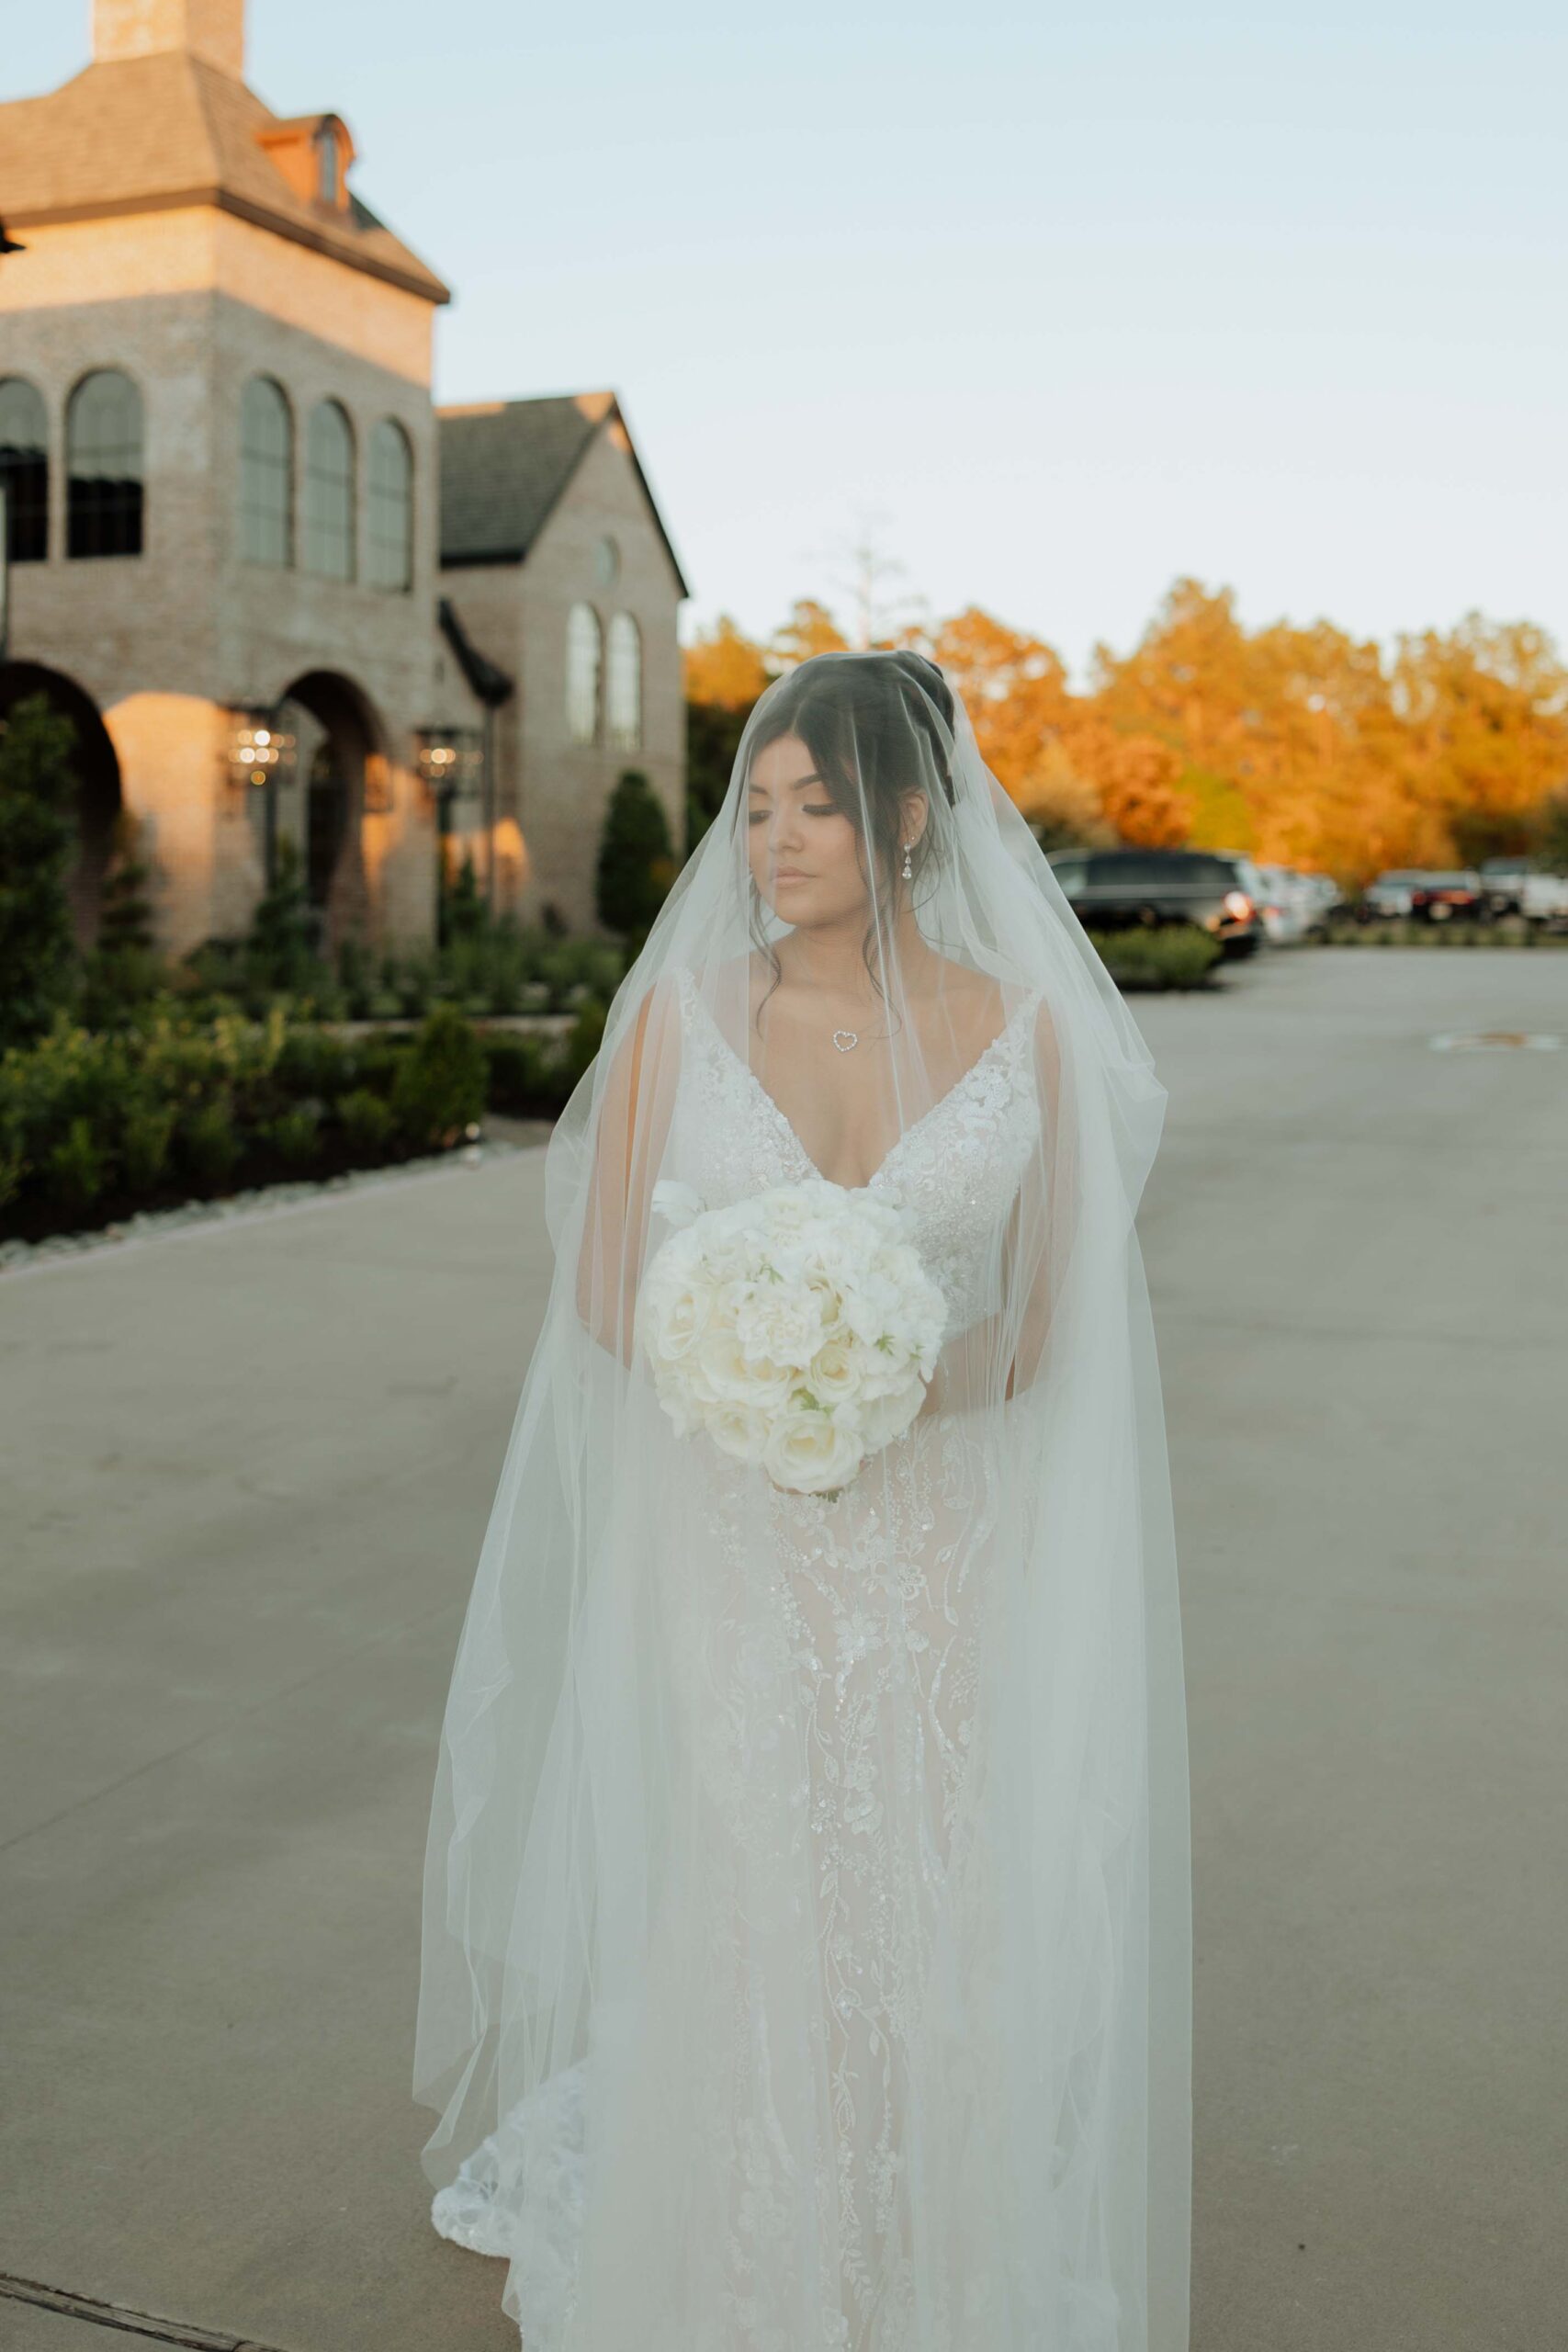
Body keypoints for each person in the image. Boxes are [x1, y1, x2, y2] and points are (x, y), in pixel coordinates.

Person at [413, 648, 1191, 2351]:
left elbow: (1055, 1325)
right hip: (736, 1534)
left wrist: (893, 1383)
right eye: (752, 807)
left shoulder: (1031, 1031)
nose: (771, 840)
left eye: (813, 807)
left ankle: (922, 2249)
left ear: (909, 818)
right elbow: (609, 1286)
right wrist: (748, 1386)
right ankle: (746, 2258)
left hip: (947, 1541)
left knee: (929, 1883)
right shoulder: (688, 1018)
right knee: (759, 1867)